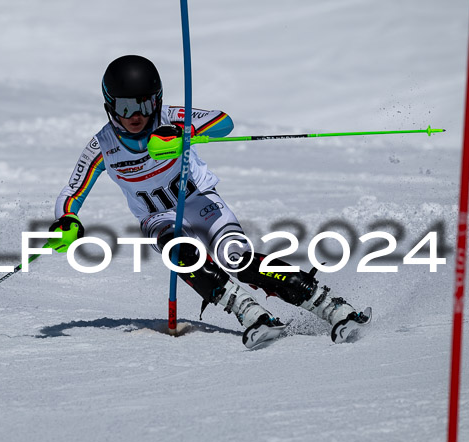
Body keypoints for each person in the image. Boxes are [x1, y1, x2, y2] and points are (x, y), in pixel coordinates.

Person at [48, 55, 369, 348]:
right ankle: (251, 314)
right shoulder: (103, 145)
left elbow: (223, 122)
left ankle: (333, 308)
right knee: (179, 252)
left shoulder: (169, 117)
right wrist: (67, 220)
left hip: (200, 203)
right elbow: (73, 191)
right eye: (125, 107)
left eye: (144, 105)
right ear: (109, 105)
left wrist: (178, 132)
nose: (136, 116)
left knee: (236, 259)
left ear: (156, 100)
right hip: (157, 218)